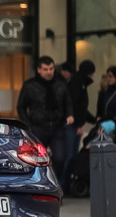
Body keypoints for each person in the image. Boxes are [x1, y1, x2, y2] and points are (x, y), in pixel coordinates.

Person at [17, 56, 74, 182]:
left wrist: (70, 114)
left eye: (51, 69)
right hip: (37, 127)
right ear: (39, 70)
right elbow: (21, 107)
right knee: (35, 160)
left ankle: (53, 183)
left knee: (60, 158)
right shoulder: (30, 85)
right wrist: (28, 125)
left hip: (57, 127)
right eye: (45, 69)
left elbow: (67, 102)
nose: (49, 72)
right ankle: (39, 185)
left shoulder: (60, 84)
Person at [61, 60, 96, 194]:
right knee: (70, 156)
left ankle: (65, 186)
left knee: (72, 156)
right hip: (72, 126)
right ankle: (63, 186)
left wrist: (92, 120)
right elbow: (76, 107)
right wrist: (79, 124)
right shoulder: (78, 84)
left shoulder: (79, 83)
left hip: (73, 125)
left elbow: (80, 108)